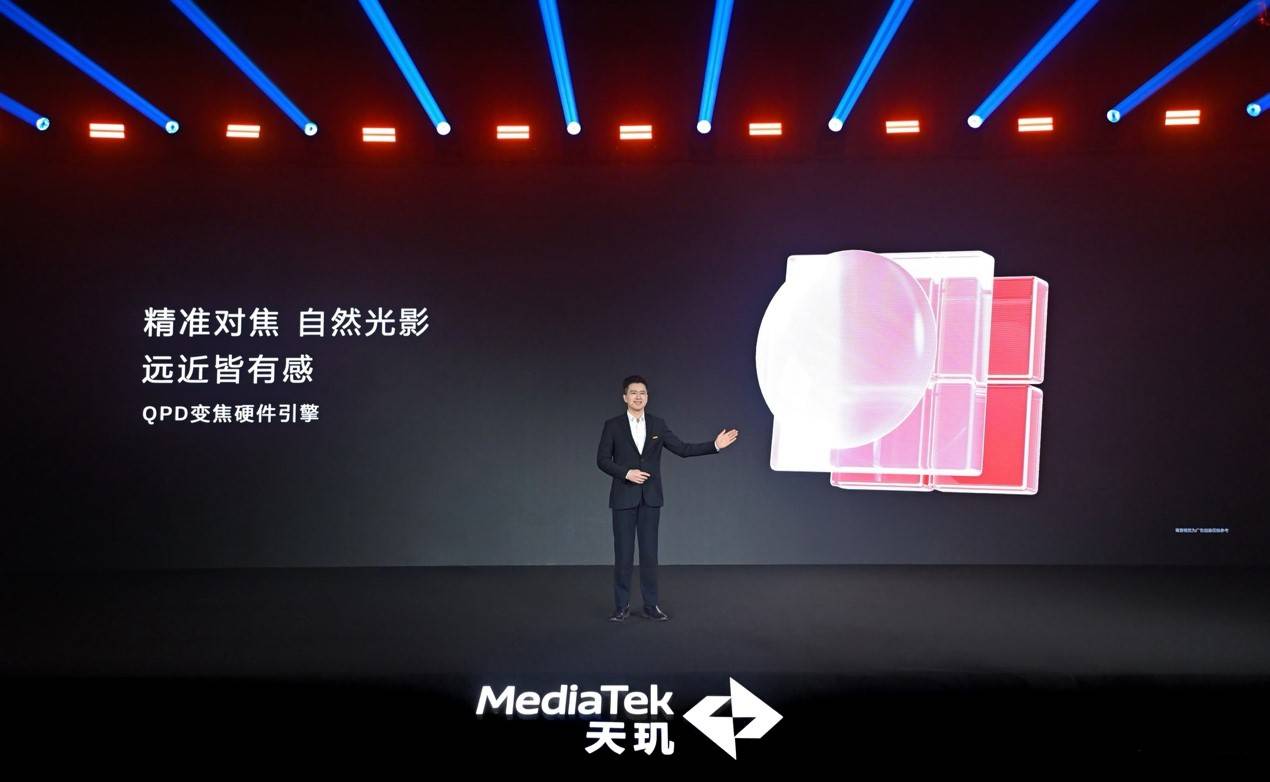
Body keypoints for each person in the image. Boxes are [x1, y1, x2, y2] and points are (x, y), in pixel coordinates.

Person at [595, 375, 738, 622]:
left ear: (647, 397)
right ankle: (621, 606)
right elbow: (602, 460)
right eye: (633, 393)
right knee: (623, 555)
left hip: (651, 499)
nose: (638, 397)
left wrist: (714, 445)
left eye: (642, 393)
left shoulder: (657, 424)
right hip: (623, 498)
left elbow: (682, 449)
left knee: (650, 555)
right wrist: (626, 473)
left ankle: (651, 606)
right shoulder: (613, 425)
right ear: (625, 397)